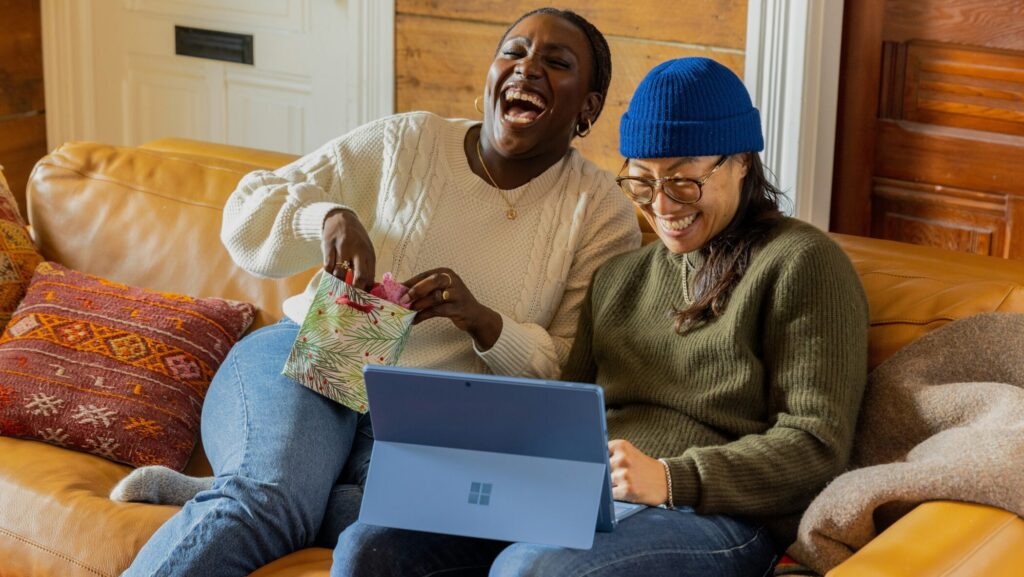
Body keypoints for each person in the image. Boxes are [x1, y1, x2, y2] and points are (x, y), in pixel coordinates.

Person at [117, 8, 640, 577]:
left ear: (587, 107)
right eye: (513, 52)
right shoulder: (408, 141)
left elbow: (572, 374)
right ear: (491, 76)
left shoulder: (602, 214)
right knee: (266, 506)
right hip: (313, 357)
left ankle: (244, 485)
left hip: (432, 420)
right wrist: (326, 219)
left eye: (556, 63)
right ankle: (258, 488)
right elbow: (247, 211)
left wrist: (485, 322)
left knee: (422, 523)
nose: (528, 68)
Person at [333, 57, 869, 577]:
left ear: (741, 161)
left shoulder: (801, 262)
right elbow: (561, 419)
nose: (661, 205)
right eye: (642, 182)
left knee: (533, 568)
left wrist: (670, 478)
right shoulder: (618, 279)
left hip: (715, 515)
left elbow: (816, 445)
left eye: (683, 182)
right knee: (370, 544)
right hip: (584, 499)